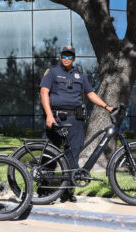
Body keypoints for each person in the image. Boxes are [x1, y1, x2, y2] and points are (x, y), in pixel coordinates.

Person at [40, 45, 114, 203]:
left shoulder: (80, 74)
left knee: (72, 156)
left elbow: (91, 94)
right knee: (50, 154)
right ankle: (44, 189)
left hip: (75, 121)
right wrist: (48, 115)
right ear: (61, 57)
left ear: (73, 58)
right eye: (64, 56)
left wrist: (107, 106)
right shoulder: (52, 72)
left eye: (70, 56)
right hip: (55, 118)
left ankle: (67, 191)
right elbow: (44, 92)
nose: (66, 58)